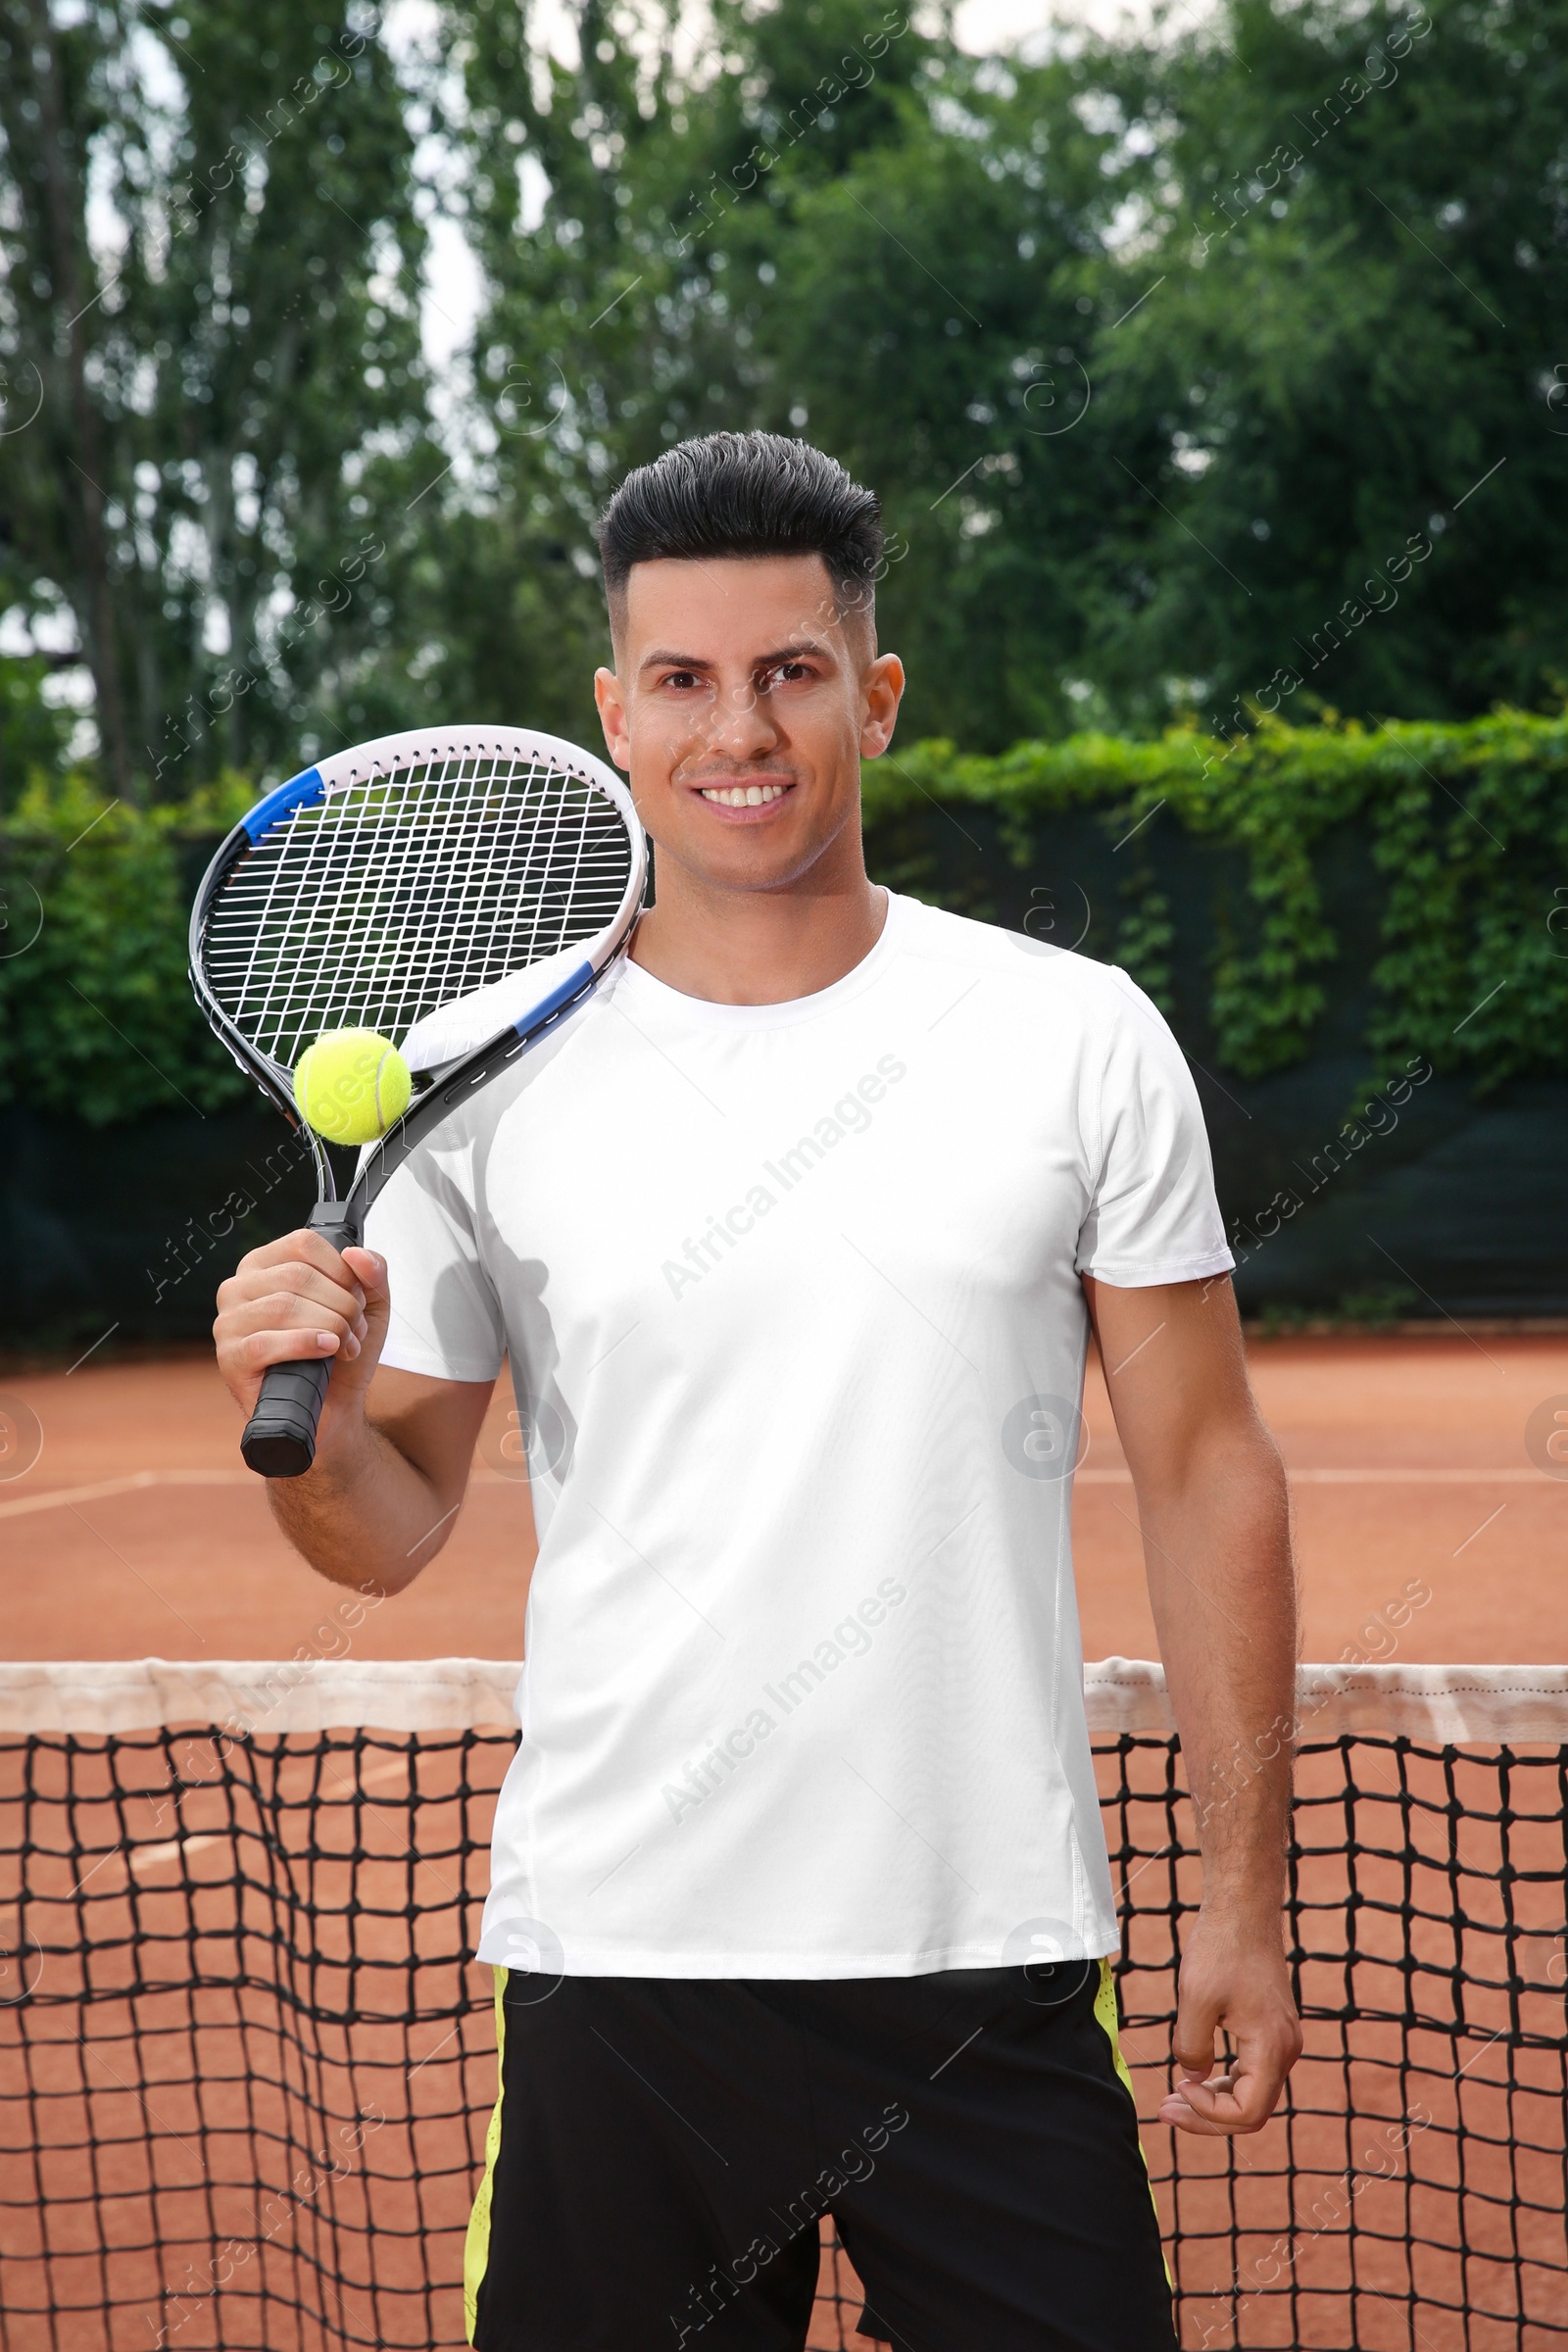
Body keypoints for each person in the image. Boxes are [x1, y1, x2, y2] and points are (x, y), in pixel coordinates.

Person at [213, 429, 1301, 2352]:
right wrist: (304, 1406)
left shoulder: (1068, 1039)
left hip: (984, 1967)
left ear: (873, 699)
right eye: (686, 679)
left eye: (793, 671)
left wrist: (1241, 1898)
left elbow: (1205, 1467)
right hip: (614, 1973)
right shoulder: (477, 1074)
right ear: (614, 714)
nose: (742, 727)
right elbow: (381, 1532)